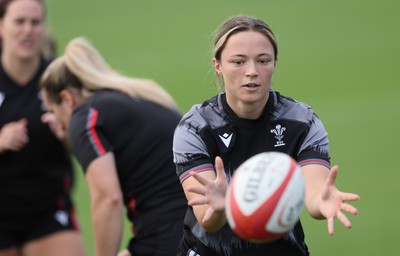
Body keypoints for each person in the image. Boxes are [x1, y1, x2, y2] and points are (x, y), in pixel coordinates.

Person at [172, 15, 360, 256]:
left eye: (262, 60)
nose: (252, 71)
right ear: (218, 65)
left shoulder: (301, 121)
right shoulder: (195, 127)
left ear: (274, 63)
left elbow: (314, 192)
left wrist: (320, 202)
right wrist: (219, 208)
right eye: (238, 62)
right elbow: (207, 219)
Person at [39, 36, 188, 256]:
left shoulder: (84, 116)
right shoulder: (131, 97)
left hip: (167, 233)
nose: (54, 121)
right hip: (196, 226)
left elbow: (108, 200)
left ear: (67, 98)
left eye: (52, 111)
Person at [0, 0, 86, 256]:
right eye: (19, 21)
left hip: (48, 209)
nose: (28, 30)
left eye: (35, 22)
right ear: (1, 26)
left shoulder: (59, 79)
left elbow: (89, 147)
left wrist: (68, 135)